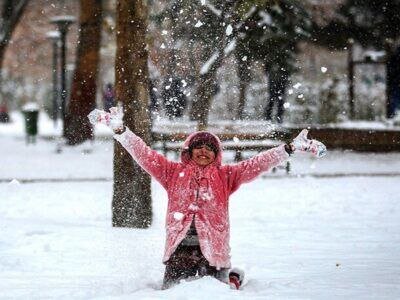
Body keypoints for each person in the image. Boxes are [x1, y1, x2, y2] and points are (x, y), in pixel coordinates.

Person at [88, 107, 326, 289]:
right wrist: (121, 130)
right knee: (173, 293)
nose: (203, 150)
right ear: (188, 152)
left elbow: (258, 163)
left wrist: (289, 149)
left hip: (213, 249)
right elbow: (144, 154)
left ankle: (232, 276)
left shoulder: (227, 175)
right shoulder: (172, 172)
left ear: (216, 154)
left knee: (218, 293)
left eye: (209, 148)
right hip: (179, 251)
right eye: (198, 146)